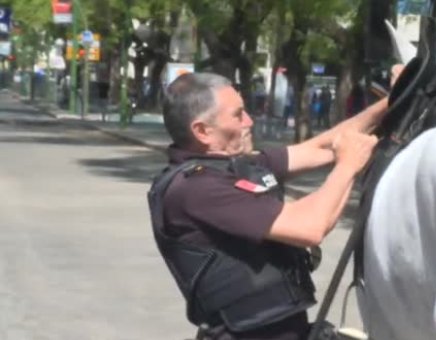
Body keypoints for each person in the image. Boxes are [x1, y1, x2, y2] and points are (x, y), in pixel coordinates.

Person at [147, 66, 402, 340]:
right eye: (237, 115)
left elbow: (324, 146)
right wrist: (348, 166)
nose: (249, 121)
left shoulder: (236, 164)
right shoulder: (194, 189)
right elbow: (310, 227)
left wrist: (395, 100)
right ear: (203, 131)